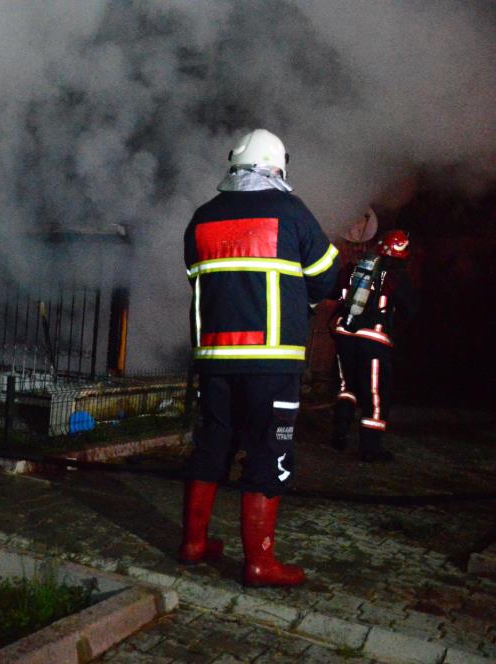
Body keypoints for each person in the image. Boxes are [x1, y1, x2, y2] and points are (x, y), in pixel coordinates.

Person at [180, 129, 339, 587]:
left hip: (214, 359)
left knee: (212, 444)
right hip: (272, 363)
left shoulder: (202, 217)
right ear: (277, 166)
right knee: (269, 450)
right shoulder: (290, 211)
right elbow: (327, 278)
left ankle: (193, 544)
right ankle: (260, 563)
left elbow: (197, 276)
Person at [329, 230, 416, 462]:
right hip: (374, 343)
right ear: (404, 253)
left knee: (346, 385)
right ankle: (370, 448)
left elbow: (333, 292)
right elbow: (410, 309)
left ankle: (339, 433)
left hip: (345, 336)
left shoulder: (355, 269)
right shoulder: (397, 276)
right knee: (376, 394)